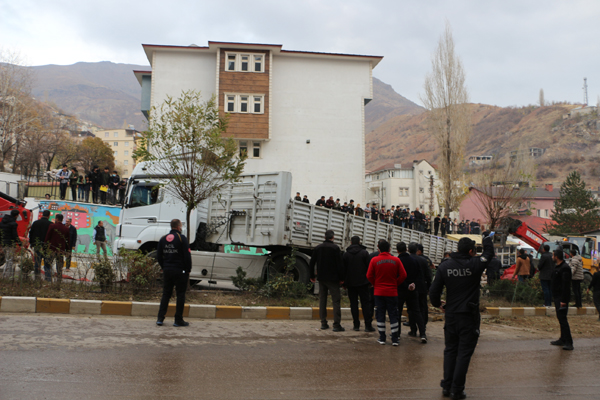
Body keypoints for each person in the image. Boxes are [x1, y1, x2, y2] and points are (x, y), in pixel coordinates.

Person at [430, 233, 494, 399]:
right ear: (472, 251)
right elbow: (488, 254)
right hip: (468, 316)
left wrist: (439, 304)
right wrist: (487, 238)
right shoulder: (475, 264)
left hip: (451, 315)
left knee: (450, 350)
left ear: (458, 249)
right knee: (464, 353)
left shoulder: (445, 266)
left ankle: (447, 386)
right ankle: (457, 390)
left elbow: (434, 291)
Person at [366, 240, 406, 345]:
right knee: (393, 314)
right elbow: (403, 275)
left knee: (380, 314)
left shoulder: (374, 260)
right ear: (389, 249)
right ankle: (395, 339)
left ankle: (382, 338)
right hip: (392, 292)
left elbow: (369, 275)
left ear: (378, 249)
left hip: (378, 292)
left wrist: (375, 284)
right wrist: (395, 283)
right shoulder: (396, 260)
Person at [156, 219, 192, 327]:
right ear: (179, 227)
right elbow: (187, 255)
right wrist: (188, 269)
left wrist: (164, 267)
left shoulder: (163, 239)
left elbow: (158, 256)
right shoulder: (182, 238)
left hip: (167, 270)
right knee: (180, 294)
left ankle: (160, 318)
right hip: (180, 271)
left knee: (166, 293)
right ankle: (178, 320)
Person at [309, 230, 345, 332]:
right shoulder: (335, 248)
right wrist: (342, 278)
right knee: (336, 301)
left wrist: (312, 275)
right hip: (333, 279)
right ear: (333, 237)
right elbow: (340, 265)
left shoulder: (318, 248)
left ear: (324, 237)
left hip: (321, 278)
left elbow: (312, 262)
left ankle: (323, 323)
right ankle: (336, 325)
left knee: (322, 300)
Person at [343, 236, 374, 332]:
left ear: (351, 243)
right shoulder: (364, 253)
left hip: (351, 284)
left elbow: (343, 270)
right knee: (365, 304)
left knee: (353, 304)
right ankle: (368, 325)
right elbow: (369, 269)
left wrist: (344, 283)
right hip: (363, 283)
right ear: (360, 242)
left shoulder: (346, 254)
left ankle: (356, 325)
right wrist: (370, 281)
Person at [399, 242, 427, 342]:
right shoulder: (415, 261)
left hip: (401, 290)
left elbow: (398, 276)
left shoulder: (398, 261)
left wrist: (405, 285)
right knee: (416, 311)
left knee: (398, 311)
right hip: (413, 289)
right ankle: (423, 334)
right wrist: (413, 285)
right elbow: (419, 275)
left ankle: (397, 334)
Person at [550, 249, 573, 350]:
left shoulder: (565, 268)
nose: (552, 257)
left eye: (553, 255)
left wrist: (563, 300)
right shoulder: (558, 267)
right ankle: (562, 339)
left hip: (561, 298)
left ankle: (569, 342)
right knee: (560, 319)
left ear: (557, 257)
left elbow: (566, 286)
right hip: (557, 296)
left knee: (563, 320)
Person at [411, 243, 432, 336]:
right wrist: (429, 287)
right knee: (422, 308)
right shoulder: (424, 260)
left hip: (411, 288)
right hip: (422, 287)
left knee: (412, 309)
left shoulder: (409, 259)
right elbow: (429, 275)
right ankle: (422, 328)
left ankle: (413, 329)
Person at [44, 213, 70, 283]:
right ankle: (58, 281)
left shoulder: (52, 226)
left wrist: (45, 246)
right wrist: (67, 250)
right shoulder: (66, 229)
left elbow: (48, 237)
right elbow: (68, 240)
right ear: (62, 220)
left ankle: (48, 279)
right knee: (59, 266)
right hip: (61, 250)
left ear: (57, 219)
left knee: (48, 264)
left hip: (52, 249)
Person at [29, 210, 52, 281]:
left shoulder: (35, 223)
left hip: (37, 245)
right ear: (49, 216)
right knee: (47, 264)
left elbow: (31, 234)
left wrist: (31, 243)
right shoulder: (51, 224)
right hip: (47, 247)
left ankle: (37, 278)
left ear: (42, 215)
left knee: (37, 262)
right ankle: (48, 279)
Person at [0, 209, 20, 278]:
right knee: (10, 260)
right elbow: (15, 235)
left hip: (3, 243)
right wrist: (20, 243)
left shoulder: (2, 222)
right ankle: (7, 276)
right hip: (10, 244)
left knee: (7, 259)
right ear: (16, 216)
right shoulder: (13, 224)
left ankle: (6, 275)